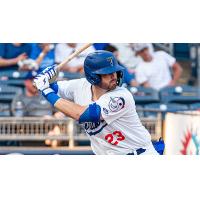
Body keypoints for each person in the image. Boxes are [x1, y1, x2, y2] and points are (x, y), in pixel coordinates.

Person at [33, 50, 160, 155]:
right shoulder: (80, 85)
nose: (114, 76)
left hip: (138, 155)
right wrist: (46, 77)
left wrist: (45, 89)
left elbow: (83, 115)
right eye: (107, 73)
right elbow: (52, 88)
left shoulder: (121, 96)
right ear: (93, 76)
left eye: (114, 71)